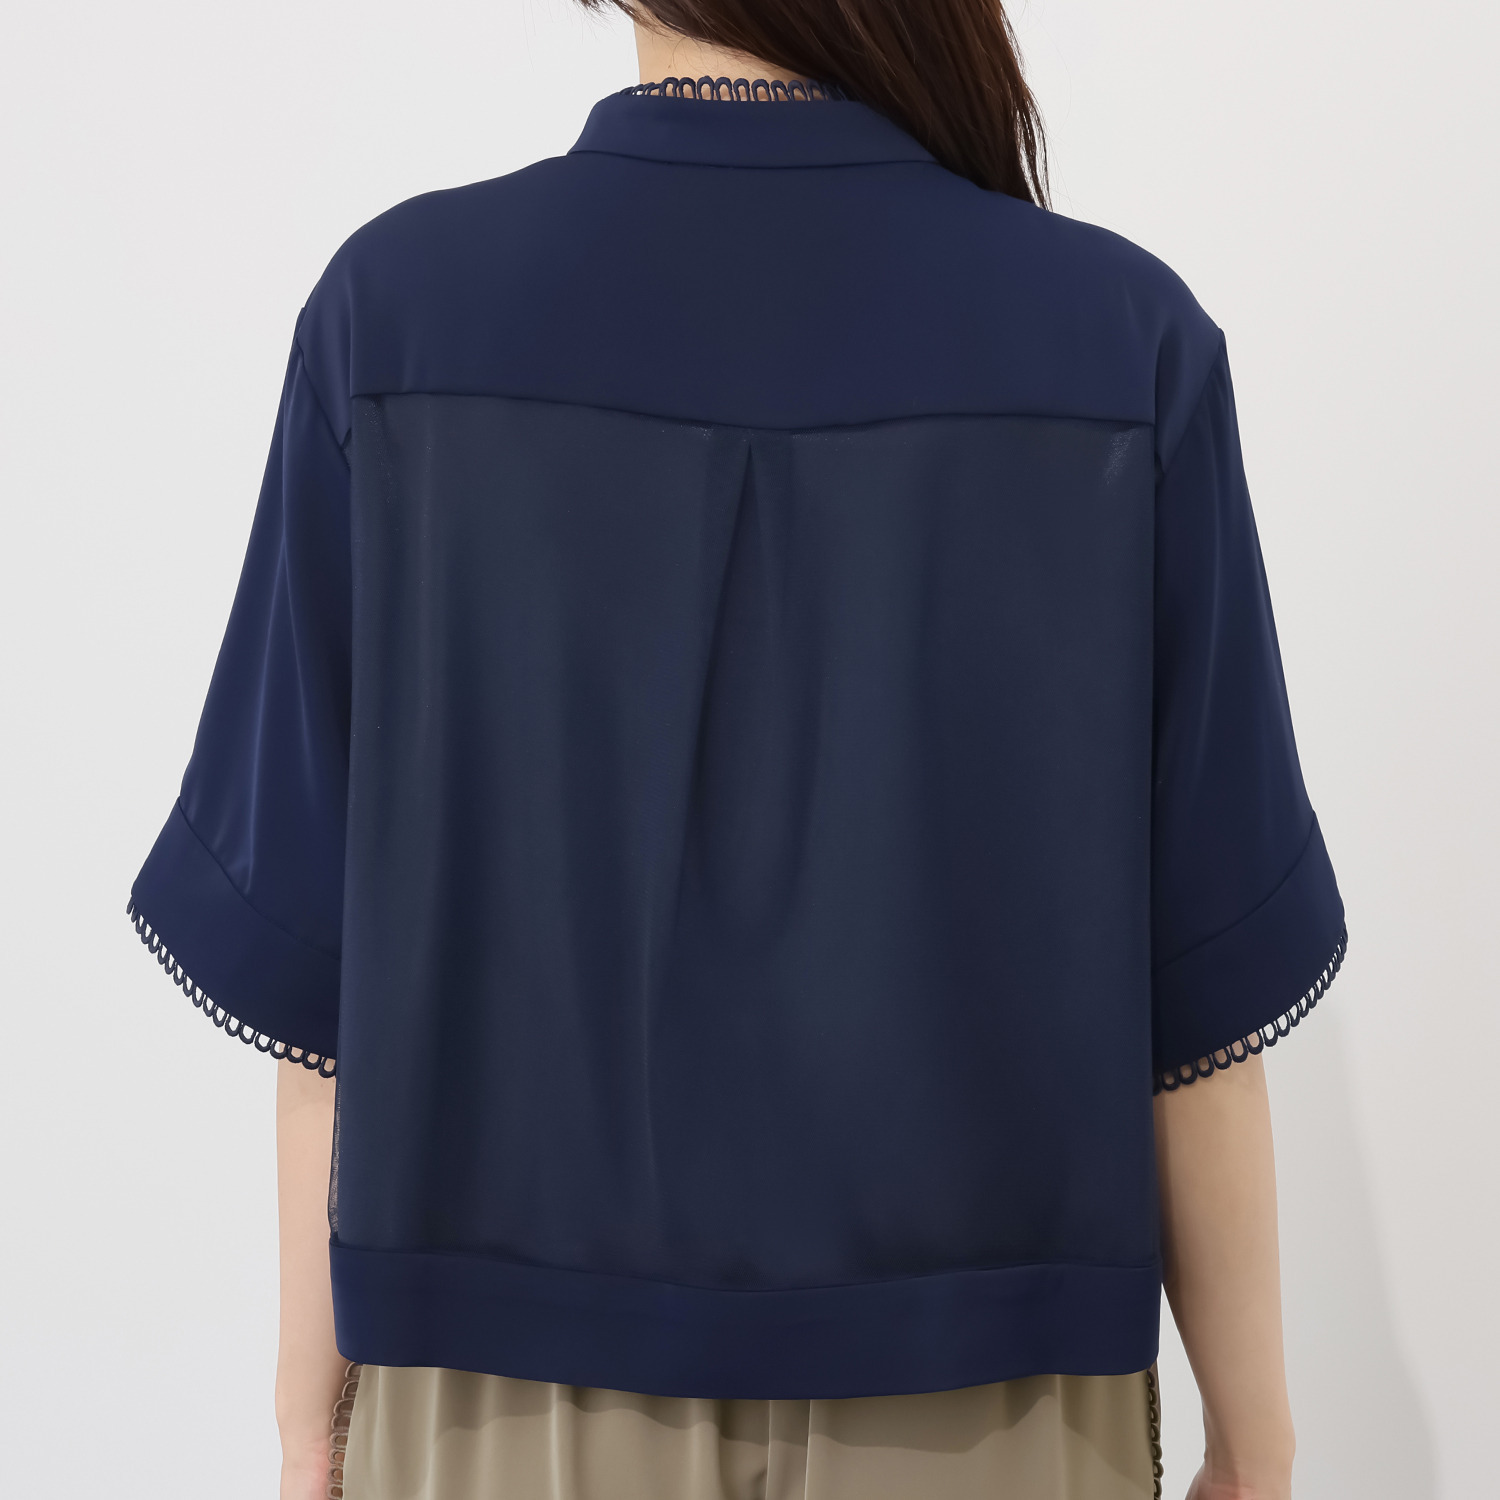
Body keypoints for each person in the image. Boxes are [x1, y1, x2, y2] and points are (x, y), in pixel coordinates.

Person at [126, 3, 1346, 1498]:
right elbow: (1201, 1016)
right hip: (992, 1404)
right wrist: (1255, 1441)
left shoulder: (395, 323)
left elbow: (323, 995)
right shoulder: (1120, 342)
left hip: (502, 1398)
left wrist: (305, 1414)